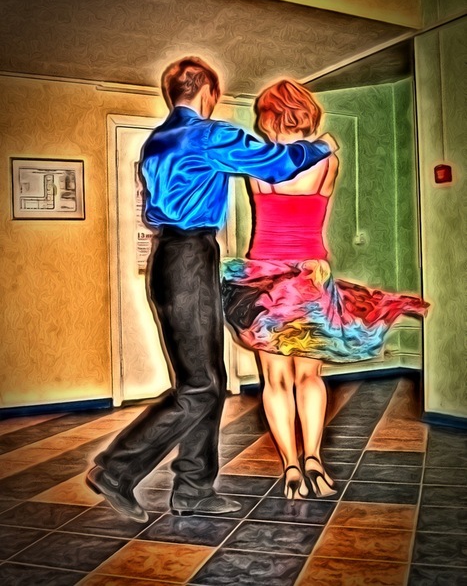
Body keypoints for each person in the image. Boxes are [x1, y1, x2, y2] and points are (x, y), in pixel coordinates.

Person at [86, 58, 338, 521]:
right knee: (201, 386)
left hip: (167, 260)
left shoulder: (157, 139)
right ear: (210, 92)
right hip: (190, 258)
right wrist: (321, 146)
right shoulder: (208, 134)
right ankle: (116, 470)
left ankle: (194, 488)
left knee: (207, 382)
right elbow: (279, 164)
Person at [222, 79, 429, 501]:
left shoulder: (258, 165)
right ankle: (314, 459)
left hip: (266, 278)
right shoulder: (328, 163)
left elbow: (268, 199)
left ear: (271, 116)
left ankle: (291, 467)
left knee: (275, 380)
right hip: (312, 275)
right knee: (309, 376)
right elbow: (319, 216)